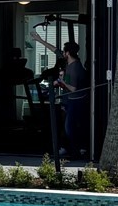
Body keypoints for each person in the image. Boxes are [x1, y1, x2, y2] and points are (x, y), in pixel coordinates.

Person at [36, 30, 90, 158]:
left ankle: (77, 149)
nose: (62, 53)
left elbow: (73, 88)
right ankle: (70, 147)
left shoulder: (75, 68)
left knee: (69, 127)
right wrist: (40, 40)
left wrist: (61, 82)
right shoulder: (69, 62)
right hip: (68, 99)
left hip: (75, 100)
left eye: (64, 52)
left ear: (68, 53)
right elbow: (56, 50)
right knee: (67, 125)